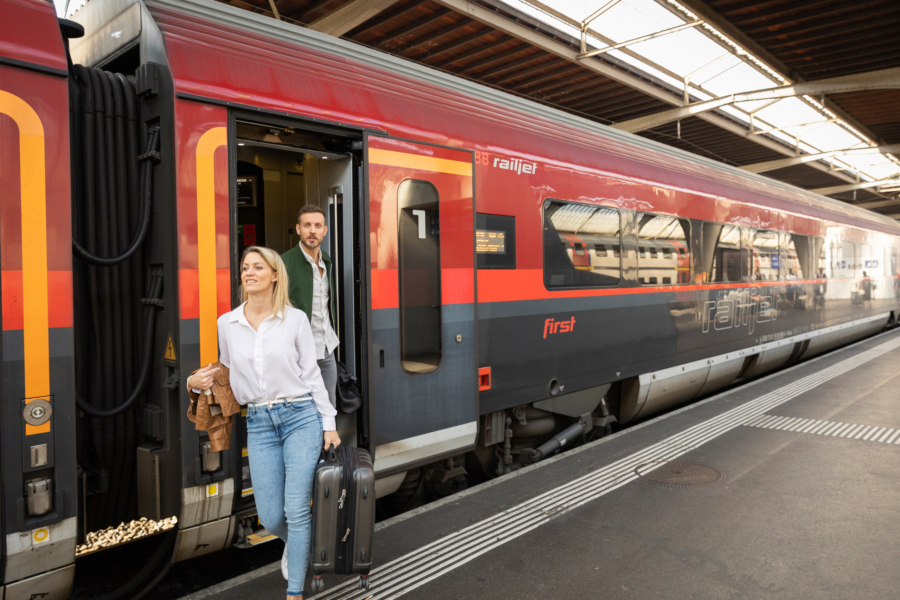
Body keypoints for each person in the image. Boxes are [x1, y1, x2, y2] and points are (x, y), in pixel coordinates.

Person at [188, 246, 339, 600]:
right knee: (271, 517)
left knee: (297, 507)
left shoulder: (295, 319)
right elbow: (227, 372)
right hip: (258, 421)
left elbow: (312, 375)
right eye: (245, 267)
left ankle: (295, 591)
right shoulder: (227, 323)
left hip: (300, 416)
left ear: (275, 275)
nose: (249, 272)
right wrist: (196, 382)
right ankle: (304, 543)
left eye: (258, 267)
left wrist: (328, 423)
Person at [282, 204, 340, 410]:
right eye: (307, 225)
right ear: (298, 229)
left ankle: (329, 443)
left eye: (317, 225)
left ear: (325, 230)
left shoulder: (326, 260)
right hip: (298, 350)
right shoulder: (283, 263)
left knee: (328, 406)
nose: (312, 230)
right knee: (304, 409)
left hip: (325, 347)